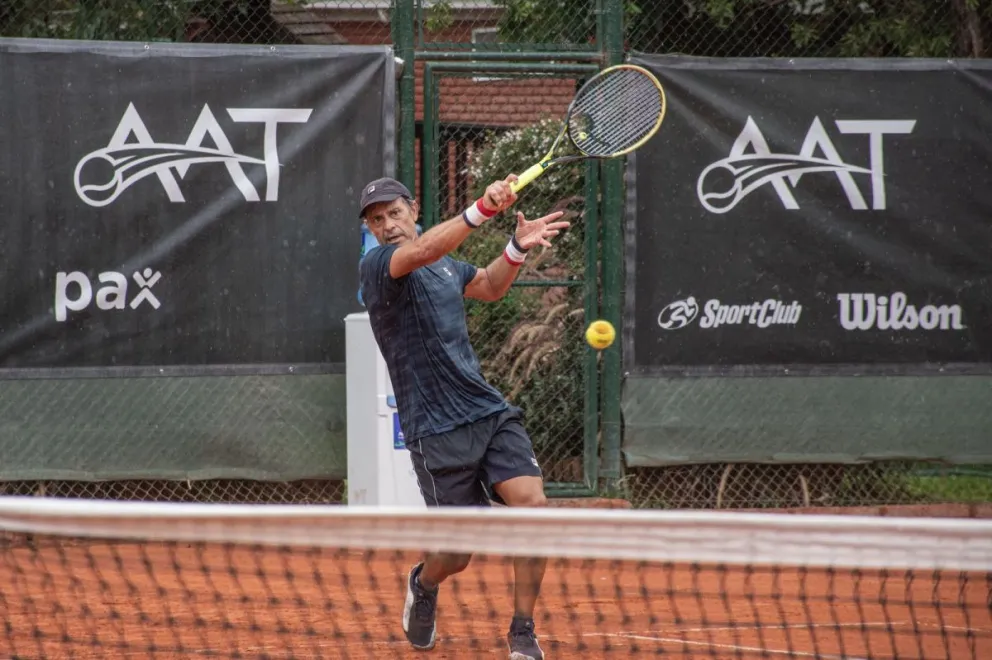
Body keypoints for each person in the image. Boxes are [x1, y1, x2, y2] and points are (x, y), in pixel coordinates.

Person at [358, 175, 570, 660]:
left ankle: (522, 632)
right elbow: (421, 253)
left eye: (394, 213)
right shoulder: (378, 267)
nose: (388, 225)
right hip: (434, 430)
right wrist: (481, 209)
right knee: (457, 554)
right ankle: (425, 581)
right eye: (376, 219)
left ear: (413, 210)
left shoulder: (448, 269)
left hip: (487, 412)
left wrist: (515, 247)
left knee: (533, 509)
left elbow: (492, 286)